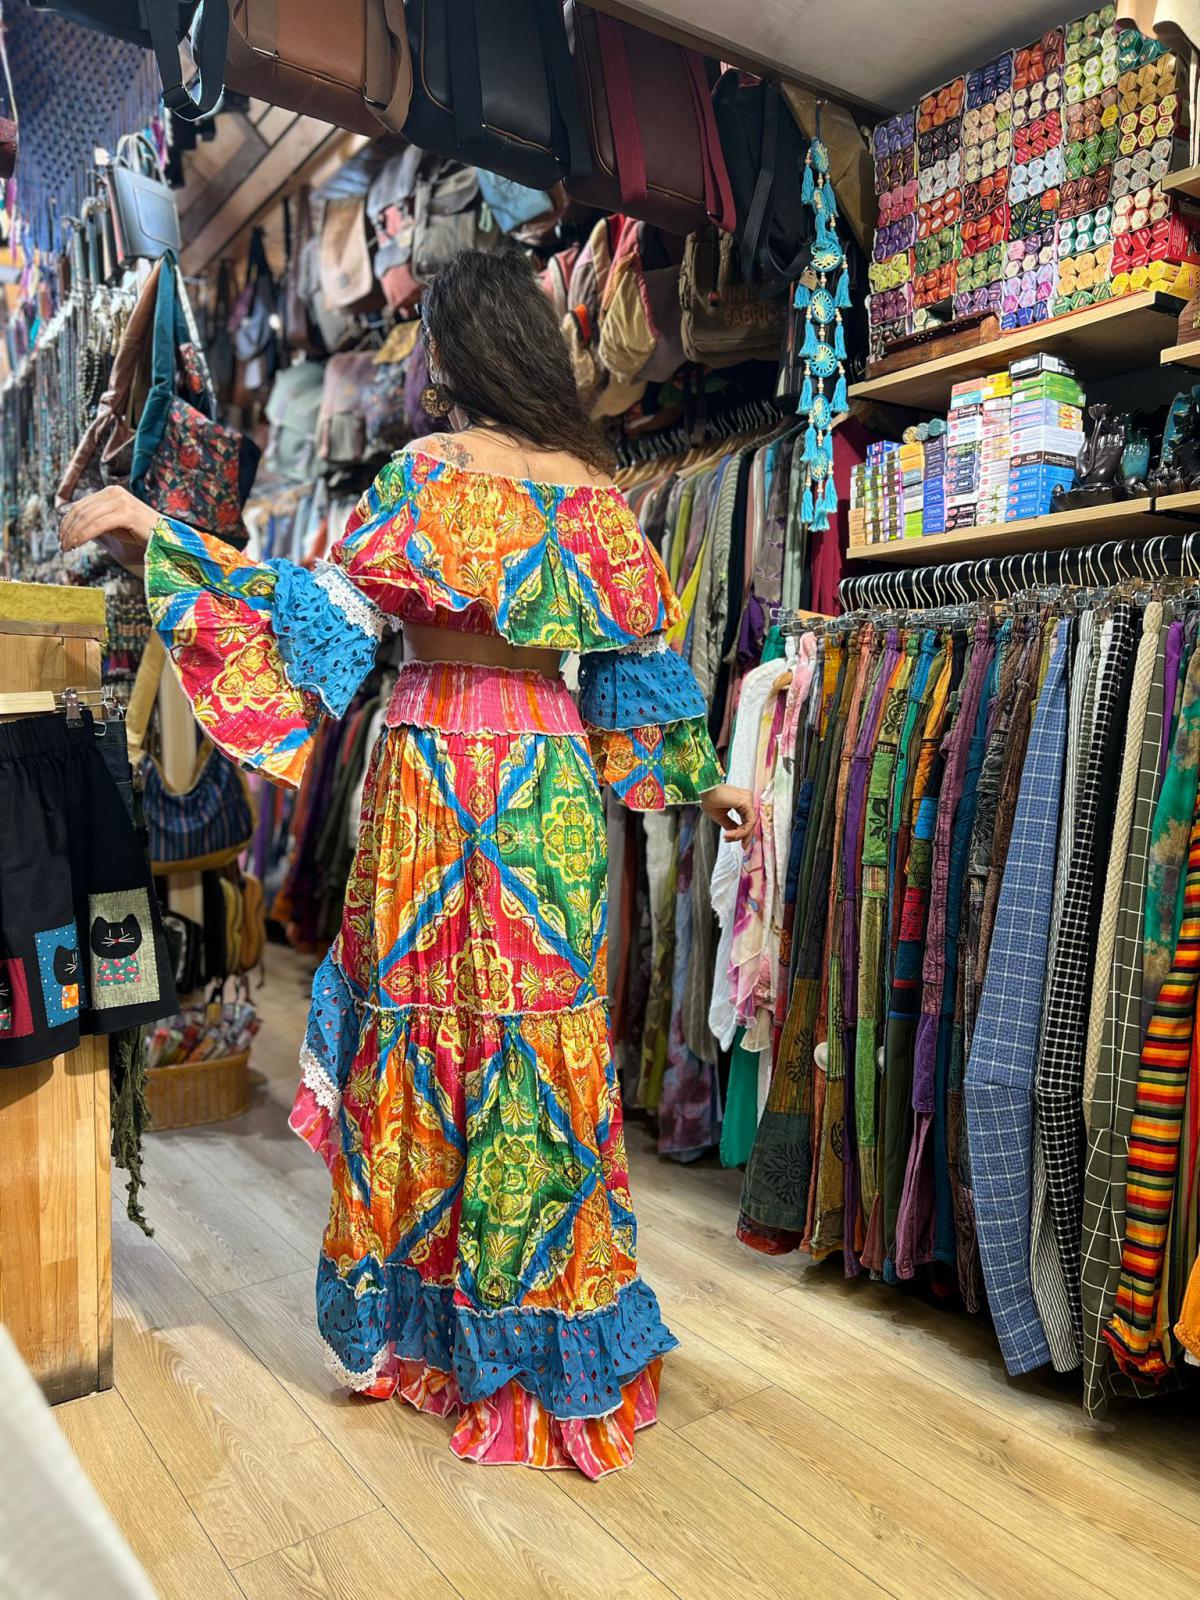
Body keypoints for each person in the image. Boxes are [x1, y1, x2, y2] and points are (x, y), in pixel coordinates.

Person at [61, 248, 754, 1478]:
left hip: (431, 773)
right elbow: (635, 682)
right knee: (537, 1041)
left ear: (454, 353)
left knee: (426, 1035)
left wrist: (155, 533)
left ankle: (420, 1328)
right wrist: (710, 786)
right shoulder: (597, 496)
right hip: (547, 787)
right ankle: (544, 1338)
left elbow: (314, 631)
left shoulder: (424, 478)